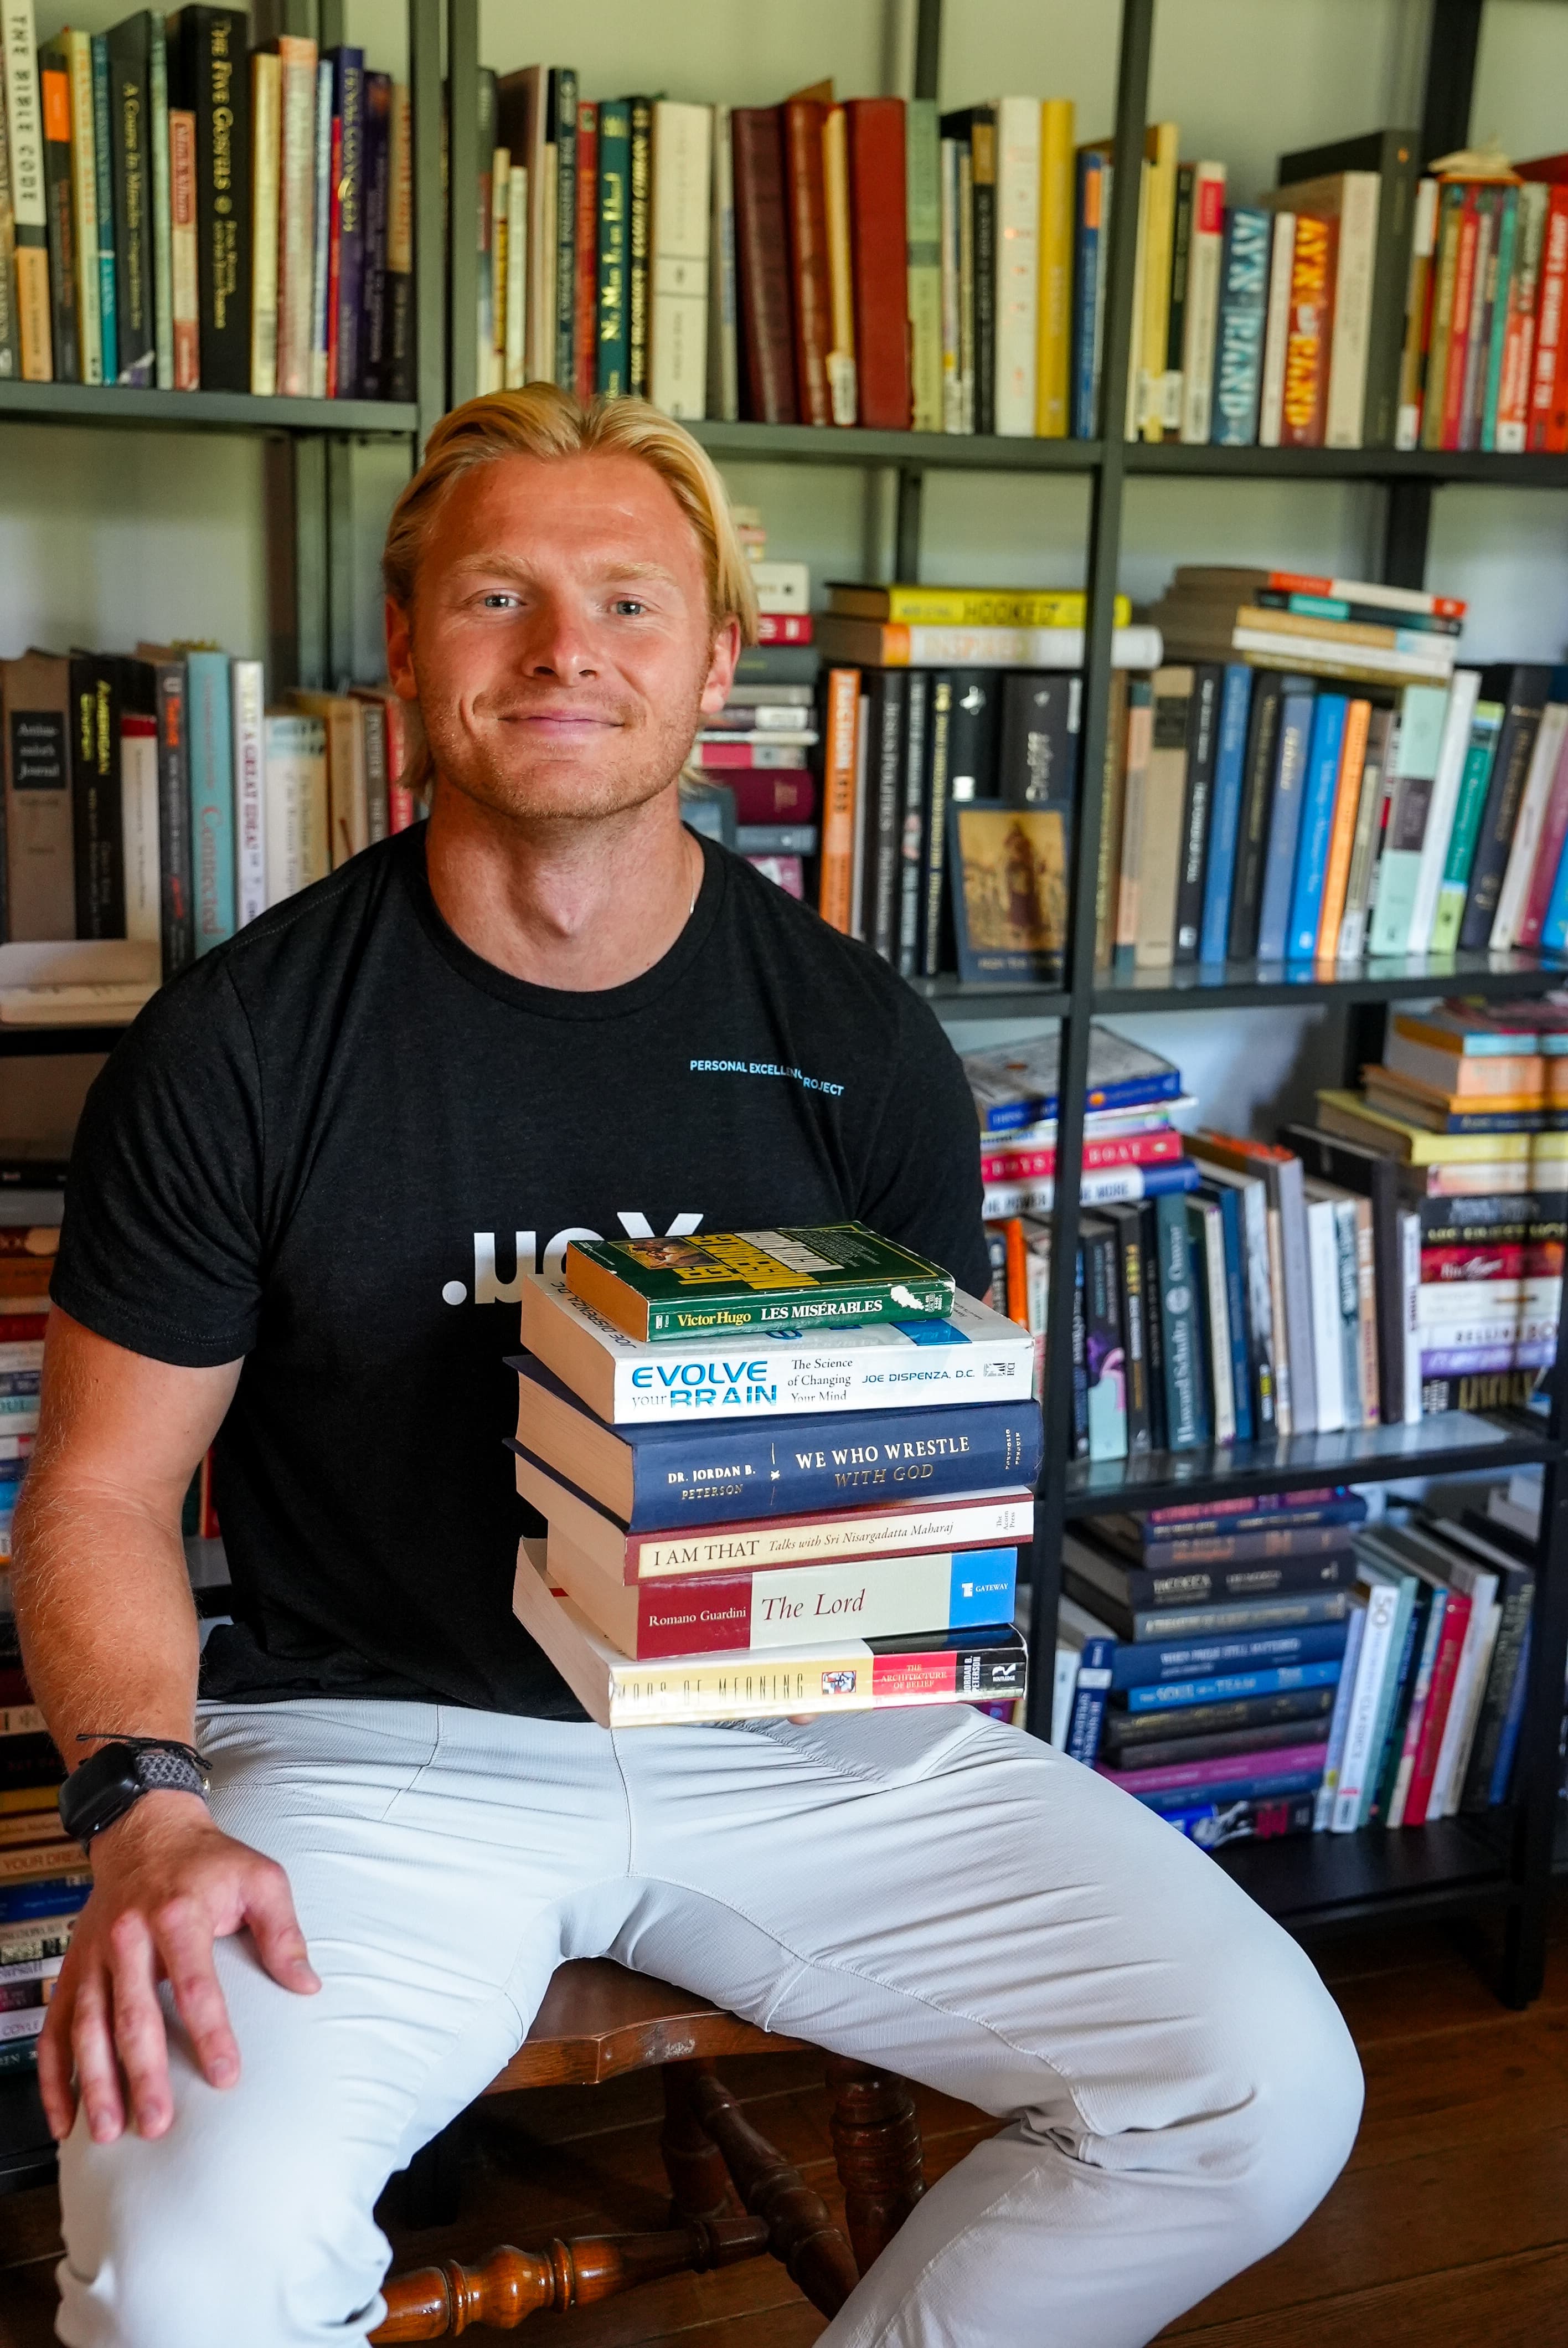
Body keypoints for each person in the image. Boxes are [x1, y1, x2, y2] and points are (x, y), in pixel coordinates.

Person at [12, 387, 1363, 2348]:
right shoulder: (241, 1042)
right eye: (500, 594)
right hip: (385, 1754)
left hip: (804, 1740)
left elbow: (931, 1468)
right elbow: (103, 1490)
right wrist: (144, 1805)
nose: (568, 649)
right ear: (406, 649)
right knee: (187, 2279)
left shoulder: (857, 1035)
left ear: (718, 660)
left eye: (633, 602)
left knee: (1262, 2090)